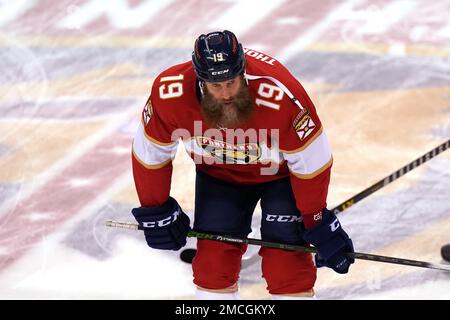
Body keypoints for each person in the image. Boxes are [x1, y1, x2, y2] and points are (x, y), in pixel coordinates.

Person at [131, 30, 354, 299]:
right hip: (219, 176)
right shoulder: (170, 93)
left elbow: (312, 162)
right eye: (216, 86)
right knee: (212, 267)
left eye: (232, 83)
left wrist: (315, 219)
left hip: (280, 178)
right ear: (201, 79)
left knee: (287, 265)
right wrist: (155, 208)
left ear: (243, 71)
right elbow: (150, 152)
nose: (225, 93)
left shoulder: (280, 96)